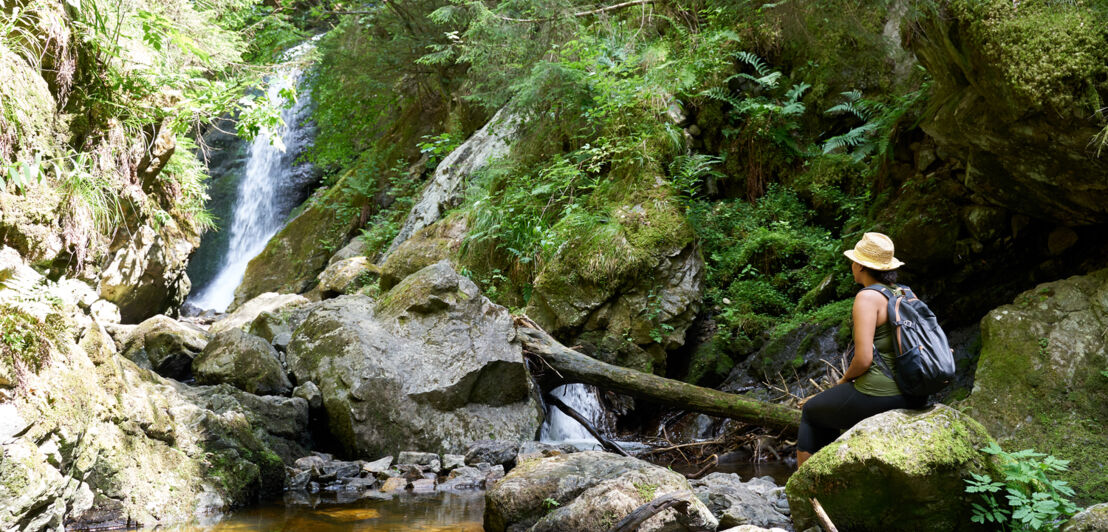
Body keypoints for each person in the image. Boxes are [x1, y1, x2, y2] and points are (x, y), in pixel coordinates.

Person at [795, 232, 923, 467]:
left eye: (854, 261)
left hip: (882, 394)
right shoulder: (905, 293)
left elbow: (864, 359)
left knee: (812, 411)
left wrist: (844, 380)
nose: (852, 265)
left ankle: (804, 491)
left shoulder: (867, 298)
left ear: (861, 266)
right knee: (830, 412)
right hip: (915, 391)